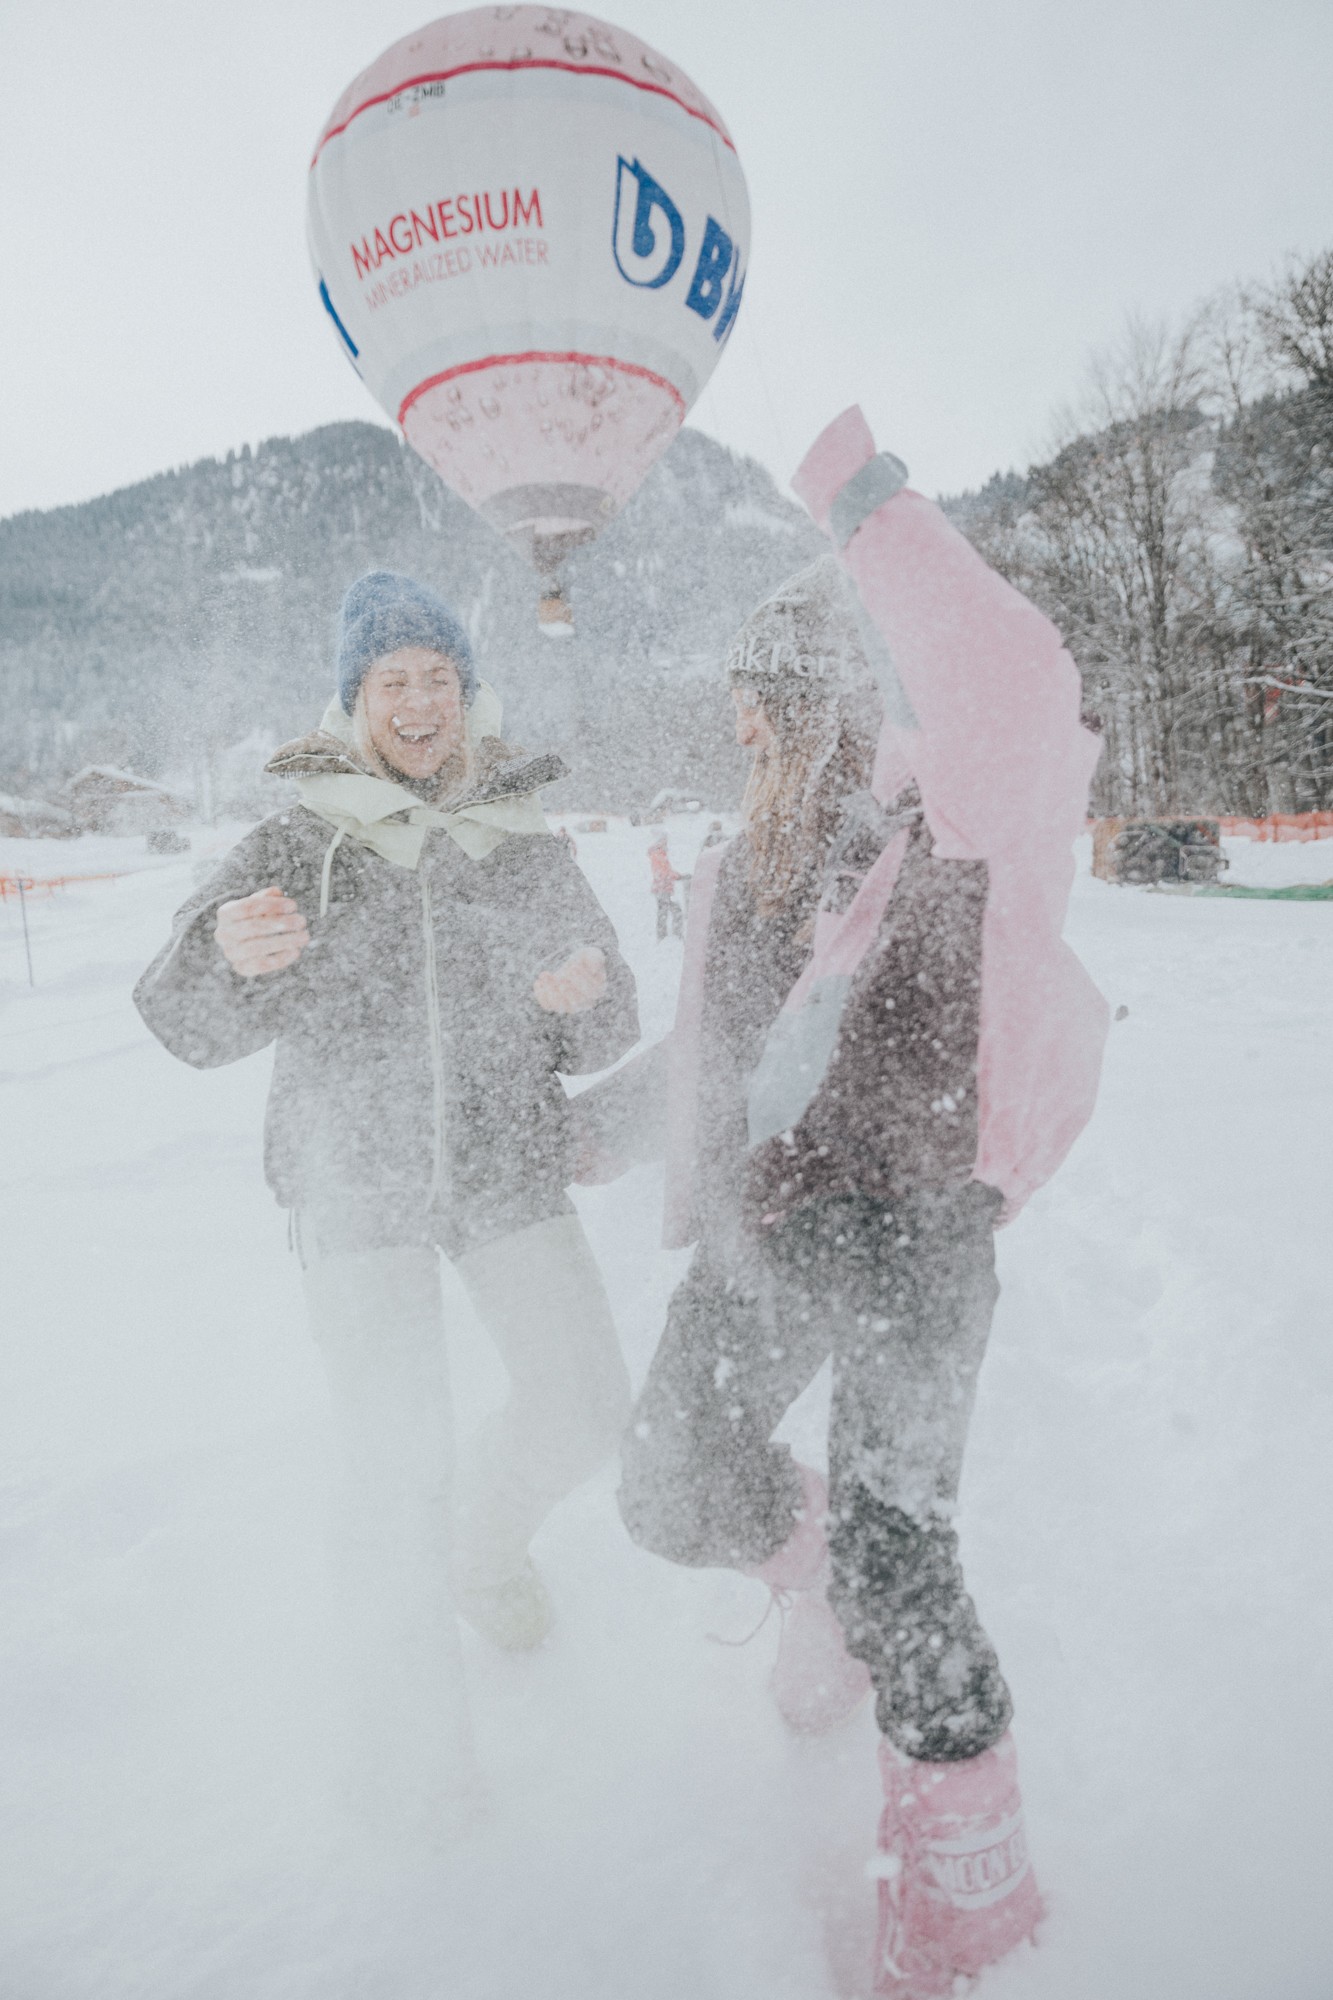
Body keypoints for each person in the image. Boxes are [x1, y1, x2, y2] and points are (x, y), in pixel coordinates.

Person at [618, 416, 1107, 1997]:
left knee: (907, 1567)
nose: (759, 730)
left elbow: (1020, 684)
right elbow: (710, 1067)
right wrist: (568, 1136)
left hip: (912, 1223)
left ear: (842, 698)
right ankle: (816, 1590)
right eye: (748, 707)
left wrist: (861, 505)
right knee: (669, 1483)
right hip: (770, 1235)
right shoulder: (736, 868)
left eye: (785, 698)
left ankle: (973, 1910)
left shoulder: (942, 818)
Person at [135, 571, 640, 1816]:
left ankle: (482, 1551)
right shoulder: (298, 840)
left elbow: (610, 1004)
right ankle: (418, 1772)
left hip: (506, 1165)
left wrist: (583, 997)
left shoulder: (517, 836)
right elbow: (177, 1011)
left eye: (439, 679)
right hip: (353, 1184)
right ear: (352, 701)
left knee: (582, 1403)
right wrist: (225, 953)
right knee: (392, 1464)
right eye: (392, 681)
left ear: (471, 695)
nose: (419, 702)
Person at [647, 831, 684, 941]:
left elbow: (666, 871)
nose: (666, 843)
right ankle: (672, 935)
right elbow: (662, 873)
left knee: (664, 912)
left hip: (663, 888)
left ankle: (664, 935)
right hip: (662, 888)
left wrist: (677, 875)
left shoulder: (660, 854)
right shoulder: (658, 855)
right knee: (673, 911)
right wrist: (676, 876)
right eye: (664, 841)